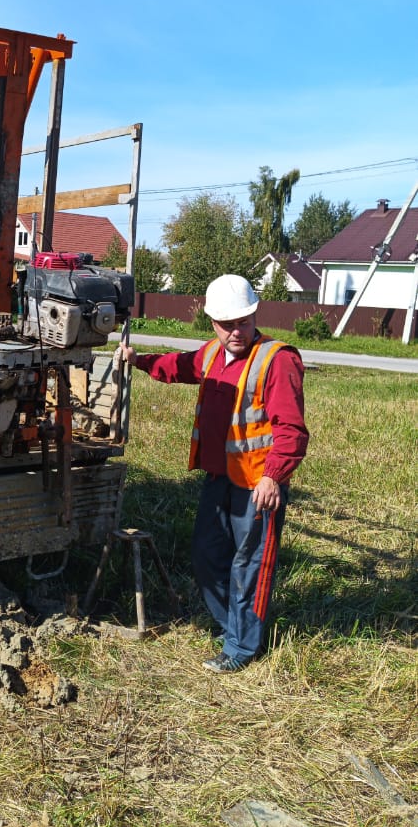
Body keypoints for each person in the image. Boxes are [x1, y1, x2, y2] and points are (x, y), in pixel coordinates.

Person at [119, 274, 309, 673]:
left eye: (243, 322)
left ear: (254, 316)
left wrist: (273, 476)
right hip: (220, 478)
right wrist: (139, 361)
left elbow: (291, 429)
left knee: (250, 567)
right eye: (227, 324)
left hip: (258, 485)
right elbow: (178, 365)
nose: (235, 331)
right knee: (206, 557)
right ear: (213, 323)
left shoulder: (277, 360)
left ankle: (241, 647)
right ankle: (231, 627)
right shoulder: (212, 354)